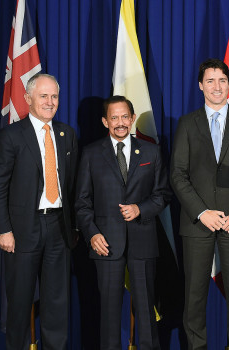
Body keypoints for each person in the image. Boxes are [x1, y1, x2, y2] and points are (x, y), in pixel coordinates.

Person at [170, 58, 229, 350]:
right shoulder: (187, 123)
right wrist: (201, 212)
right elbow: (177, 175)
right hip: (198, 223)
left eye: (222, 80)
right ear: (200, 86)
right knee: (194, 297)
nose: (217, 86)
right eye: (210, 81)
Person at [0, 73, 78, 350]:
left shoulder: (67, 134)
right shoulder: (11, 136)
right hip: (22, 229)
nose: (50, 102)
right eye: (43, 96)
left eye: (54, 97)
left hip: (59, 229)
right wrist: (4, 229)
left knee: (56, 304)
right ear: (28, 99)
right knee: (19, 303)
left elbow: (72, 185)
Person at [75, 96, 171, 349]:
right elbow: (82, 203)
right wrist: (92, 234)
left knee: (146, 312)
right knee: (108, 314)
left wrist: (141, 208)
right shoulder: (91, 153)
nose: (120, 123)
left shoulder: (151, 151)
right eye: (114, 118)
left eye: (124, 117)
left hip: (143, 242)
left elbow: (163, 194)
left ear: (132, 118)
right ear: (105, 121)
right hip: (105, 243)